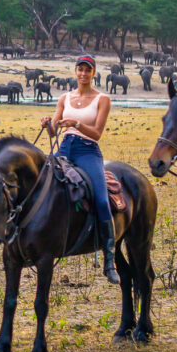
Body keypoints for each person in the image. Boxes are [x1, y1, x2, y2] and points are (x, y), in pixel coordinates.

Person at [40, 54, 119, 284]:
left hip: (87, 151)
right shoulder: (65, 97)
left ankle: (109, 259)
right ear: (75, 71)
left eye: (88, 70)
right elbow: (54, 130)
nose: (83, 74)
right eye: (80, 69)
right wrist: (48, 124)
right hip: (65, 148)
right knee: (39, 182)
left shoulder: (102, 99)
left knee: (102, 200)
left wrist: (76, 123)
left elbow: (97, 133)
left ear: (93, 73)